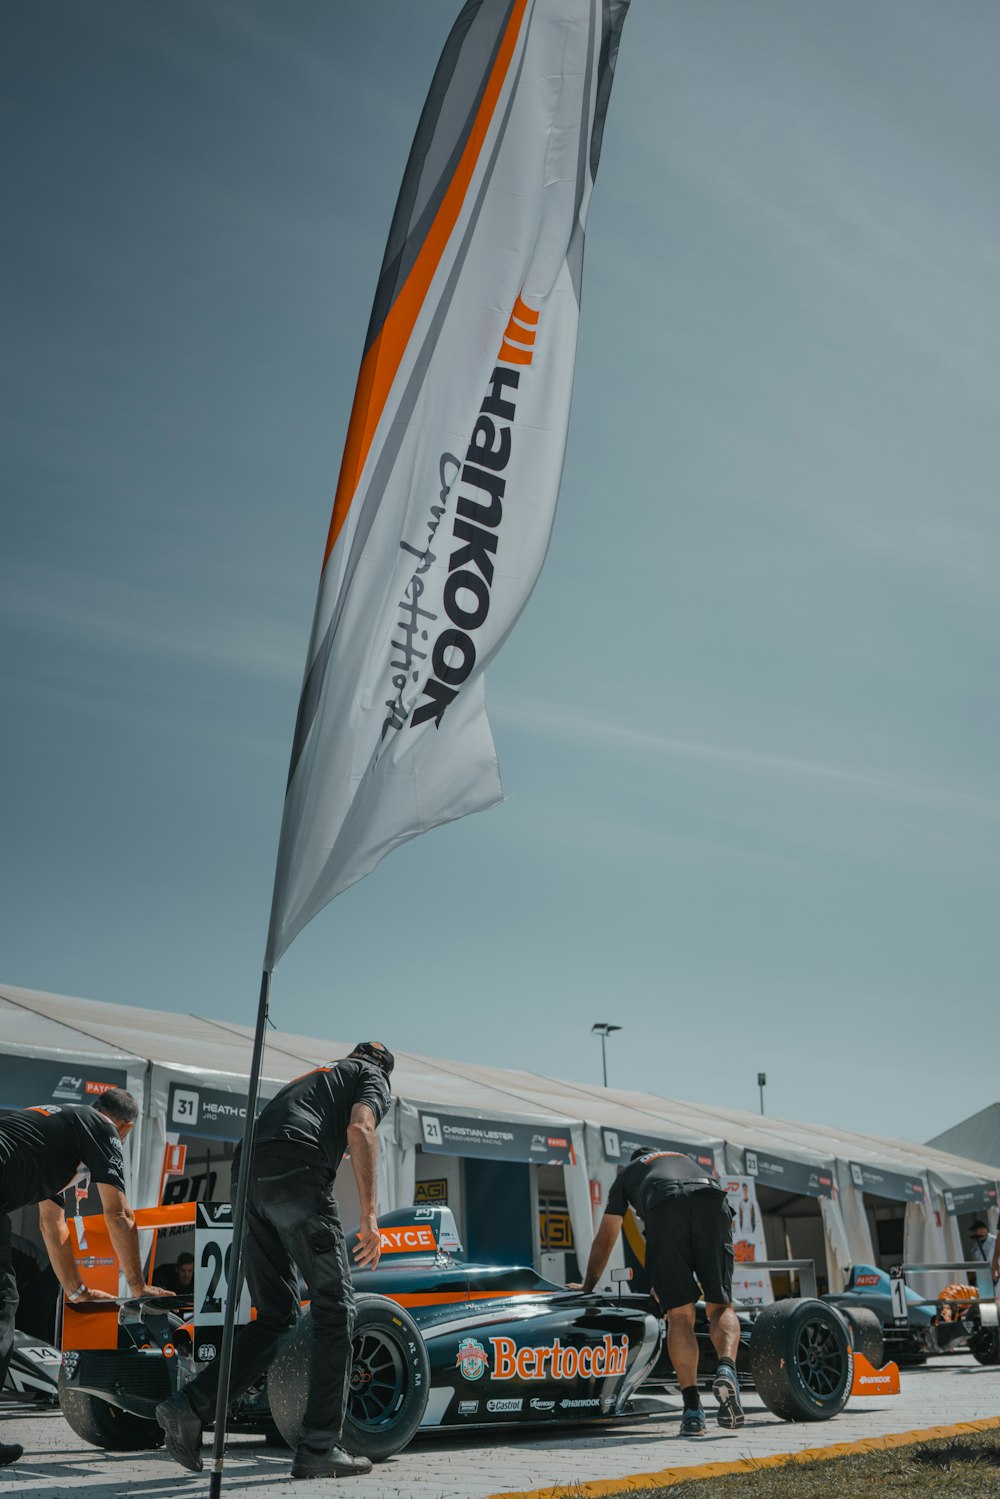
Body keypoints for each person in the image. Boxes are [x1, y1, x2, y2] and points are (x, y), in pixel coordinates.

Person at [156, 1041, 394, 1481]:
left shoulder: (314, 1078)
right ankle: (320, 1447)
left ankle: (188, 1407)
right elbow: (361, 1130)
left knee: (276, 1316)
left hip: (246, 1174)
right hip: (295, 1172)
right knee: (335, 1309)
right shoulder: (371, 1076)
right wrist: (370, 1214)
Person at [0, 1087, 164, 1467]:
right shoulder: (102, 1127)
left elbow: (51, 1224)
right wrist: (138, 1286)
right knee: (2, 1305)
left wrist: (76, 1290)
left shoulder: (60, 1130)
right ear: (125, 1128)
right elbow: (118, 1213)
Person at [578, 1146, 742, 1437]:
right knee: (721, 1307)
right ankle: (727, 1368)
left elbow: (607, 1235)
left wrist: (587, 1285)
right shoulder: (685, 1159)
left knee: (679, 1315)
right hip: (712, 1200)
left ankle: (693, 1410)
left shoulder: (629, 1173)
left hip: (665, 1205)